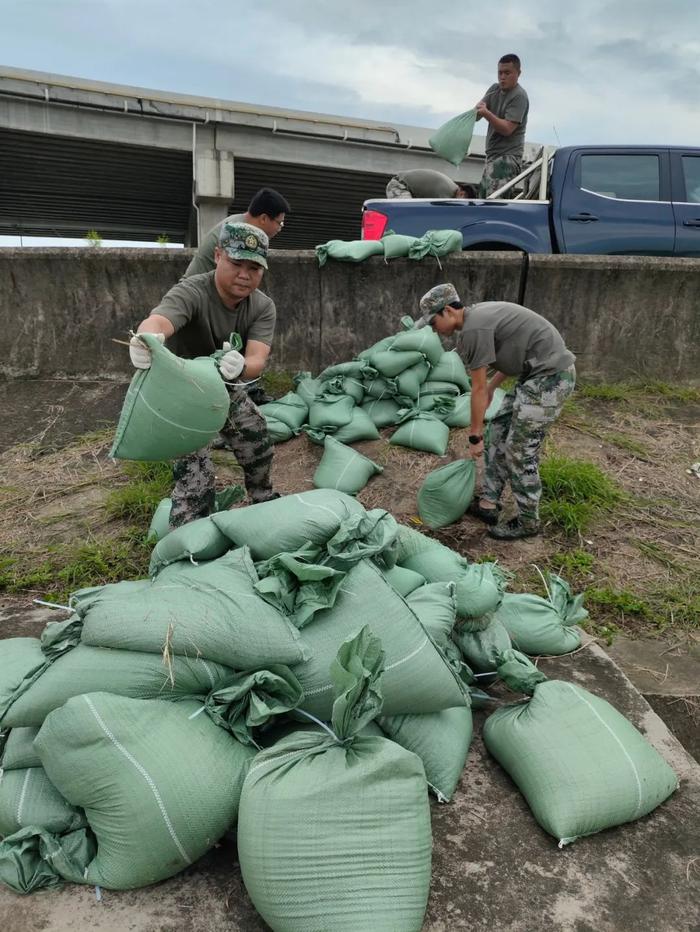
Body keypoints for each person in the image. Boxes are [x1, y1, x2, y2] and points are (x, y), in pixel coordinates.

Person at [129, 222, 278, 527]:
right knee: (196, 480)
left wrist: (240, 367)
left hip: (225, 384)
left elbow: (256, 359)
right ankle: (188, 543)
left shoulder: (262, 306)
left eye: (254, 267)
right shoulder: (192, 291)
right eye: (236, 263)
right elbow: (158, 320)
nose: (244, 275)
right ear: (218, 255)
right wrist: (146, 339)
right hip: (184, 391)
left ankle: (263, 500)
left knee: (257, 440)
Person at [415, 284, 575, 541]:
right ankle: (489, 503)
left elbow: (476, 390)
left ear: (447, 311)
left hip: (551, 378)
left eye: (433, 322)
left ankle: (528, 522)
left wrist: (474, 435)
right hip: (533, 375)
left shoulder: (473, 329)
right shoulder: (476, 318)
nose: (433, 329)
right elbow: (514, 352)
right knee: (499, 430)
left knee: (519, 451)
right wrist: (492, 387)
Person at [184, 187, 290, 278]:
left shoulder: (237, 222)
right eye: (279, 223)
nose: (279, 228)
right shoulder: (242, 234)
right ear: (263, 219)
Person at [475, 54, 529, 198]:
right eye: (500, 73)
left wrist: (486, 113)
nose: (502, 77)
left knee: (494, 202)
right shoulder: (494, 89)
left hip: (507, 158)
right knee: (484, 200)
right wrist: (476, 111)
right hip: (492, 157)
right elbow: (477, 115)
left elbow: (507, 129)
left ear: (518, 73)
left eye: (507, 73)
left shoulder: (520, 96)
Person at [386, 169, 469, 199]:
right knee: (407, 212)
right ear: (462, 193)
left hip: (403, 186)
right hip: (399, 186)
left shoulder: (451, 187)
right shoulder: (447, 192)